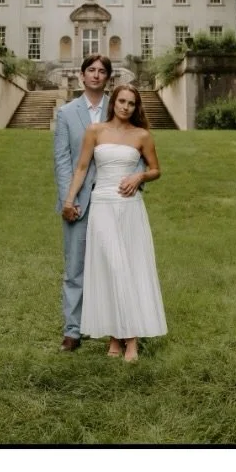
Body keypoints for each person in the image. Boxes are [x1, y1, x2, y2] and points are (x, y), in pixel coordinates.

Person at [62, 84, 166, 362]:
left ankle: (123, 340)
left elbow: (156, 169)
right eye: (121, 101)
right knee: (111, 267)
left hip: (130, 208)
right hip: (102, 206)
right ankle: (121, 337)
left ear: (136, 107)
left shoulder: (142, 135)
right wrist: (69, 201)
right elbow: (82, 168)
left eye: (131, 103)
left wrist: (139, 177)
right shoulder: (95, 131)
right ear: (113, 102)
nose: (125, 107)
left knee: (128, 267)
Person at [53, 55, 148, 352]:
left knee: (120, 264)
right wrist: (68, 199)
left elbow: (140, 151)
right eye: (91, 71)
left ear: (108, 77)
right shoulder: (68, 113)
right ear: (81, 76)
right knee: (75, 265)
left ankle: (120, 328)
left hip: (115, 198)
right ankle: (72, 330)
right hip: (81, 199)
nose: (96, 75)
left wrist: (136, 180)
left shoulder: (120, 105)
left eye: (102, 71)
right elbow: (64, 160)